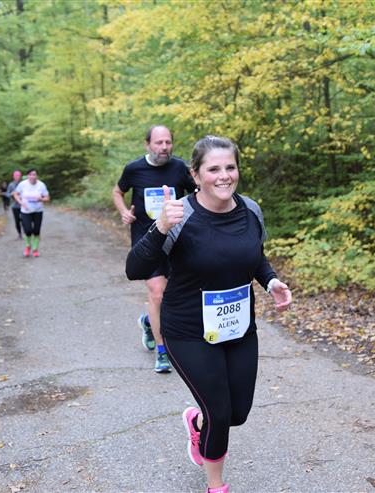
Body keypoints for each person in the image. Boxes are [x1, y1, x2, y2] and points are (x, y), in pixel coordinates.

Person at [125, 135, 292, 493]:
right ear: (195, 175)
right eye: (213, 169)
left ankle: (197, 422)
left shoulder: (250, 209)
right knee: (219, 411)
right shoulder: (179, 216)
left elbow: (253, 256)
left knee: (237, 413)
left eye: (230, 167)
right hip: (187, 331)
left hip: (238, 327)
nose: (224, 175)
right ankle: (216, 486)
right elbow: (134, 268)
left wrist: (270, 280)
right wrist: (160, 227)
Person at [112, 125, 196, 373]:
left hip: (177, 239)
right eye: (159, 143)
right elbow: (118, 191)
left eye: (168, 142)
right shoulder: (134, 169)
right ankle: (162, 352)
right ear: (147, 144)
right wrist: (124, 212)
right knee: (158, 293)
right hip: (146, 240)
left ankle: (149, 320)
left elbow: (198, 193)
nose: (164, 147)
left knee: (174, 295)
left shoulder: (180, 168)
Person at [12, 168, 50, 258]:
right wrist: (20, 202)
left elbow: (47, 198)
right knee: (28, 230)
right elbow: (15, 194)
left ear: (37, 176)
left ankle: (35, 249)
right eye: (30, 175)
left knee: (36, 231)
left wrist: (41, 199)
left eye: (34, 174)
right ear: (27, 176)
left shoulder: (41, 185)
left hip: (38, 211)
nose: (32, 176)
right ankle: (28, 246)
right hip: (26, 211)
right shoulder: (23, 184)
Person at [5, 170, 23, 239]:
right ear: (13, 177)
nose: (17, 177)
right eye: (16, 176)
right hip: (14, 206)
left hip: (23, 205)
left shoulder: (23, 184)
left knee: (24, 219)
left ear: (20, 176)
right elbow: (7, 194)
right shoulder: (11, 185)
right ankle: (19, 234)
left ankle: (26, 232)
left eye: (19, 175)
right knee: (17, 220)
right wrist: (11, 194)